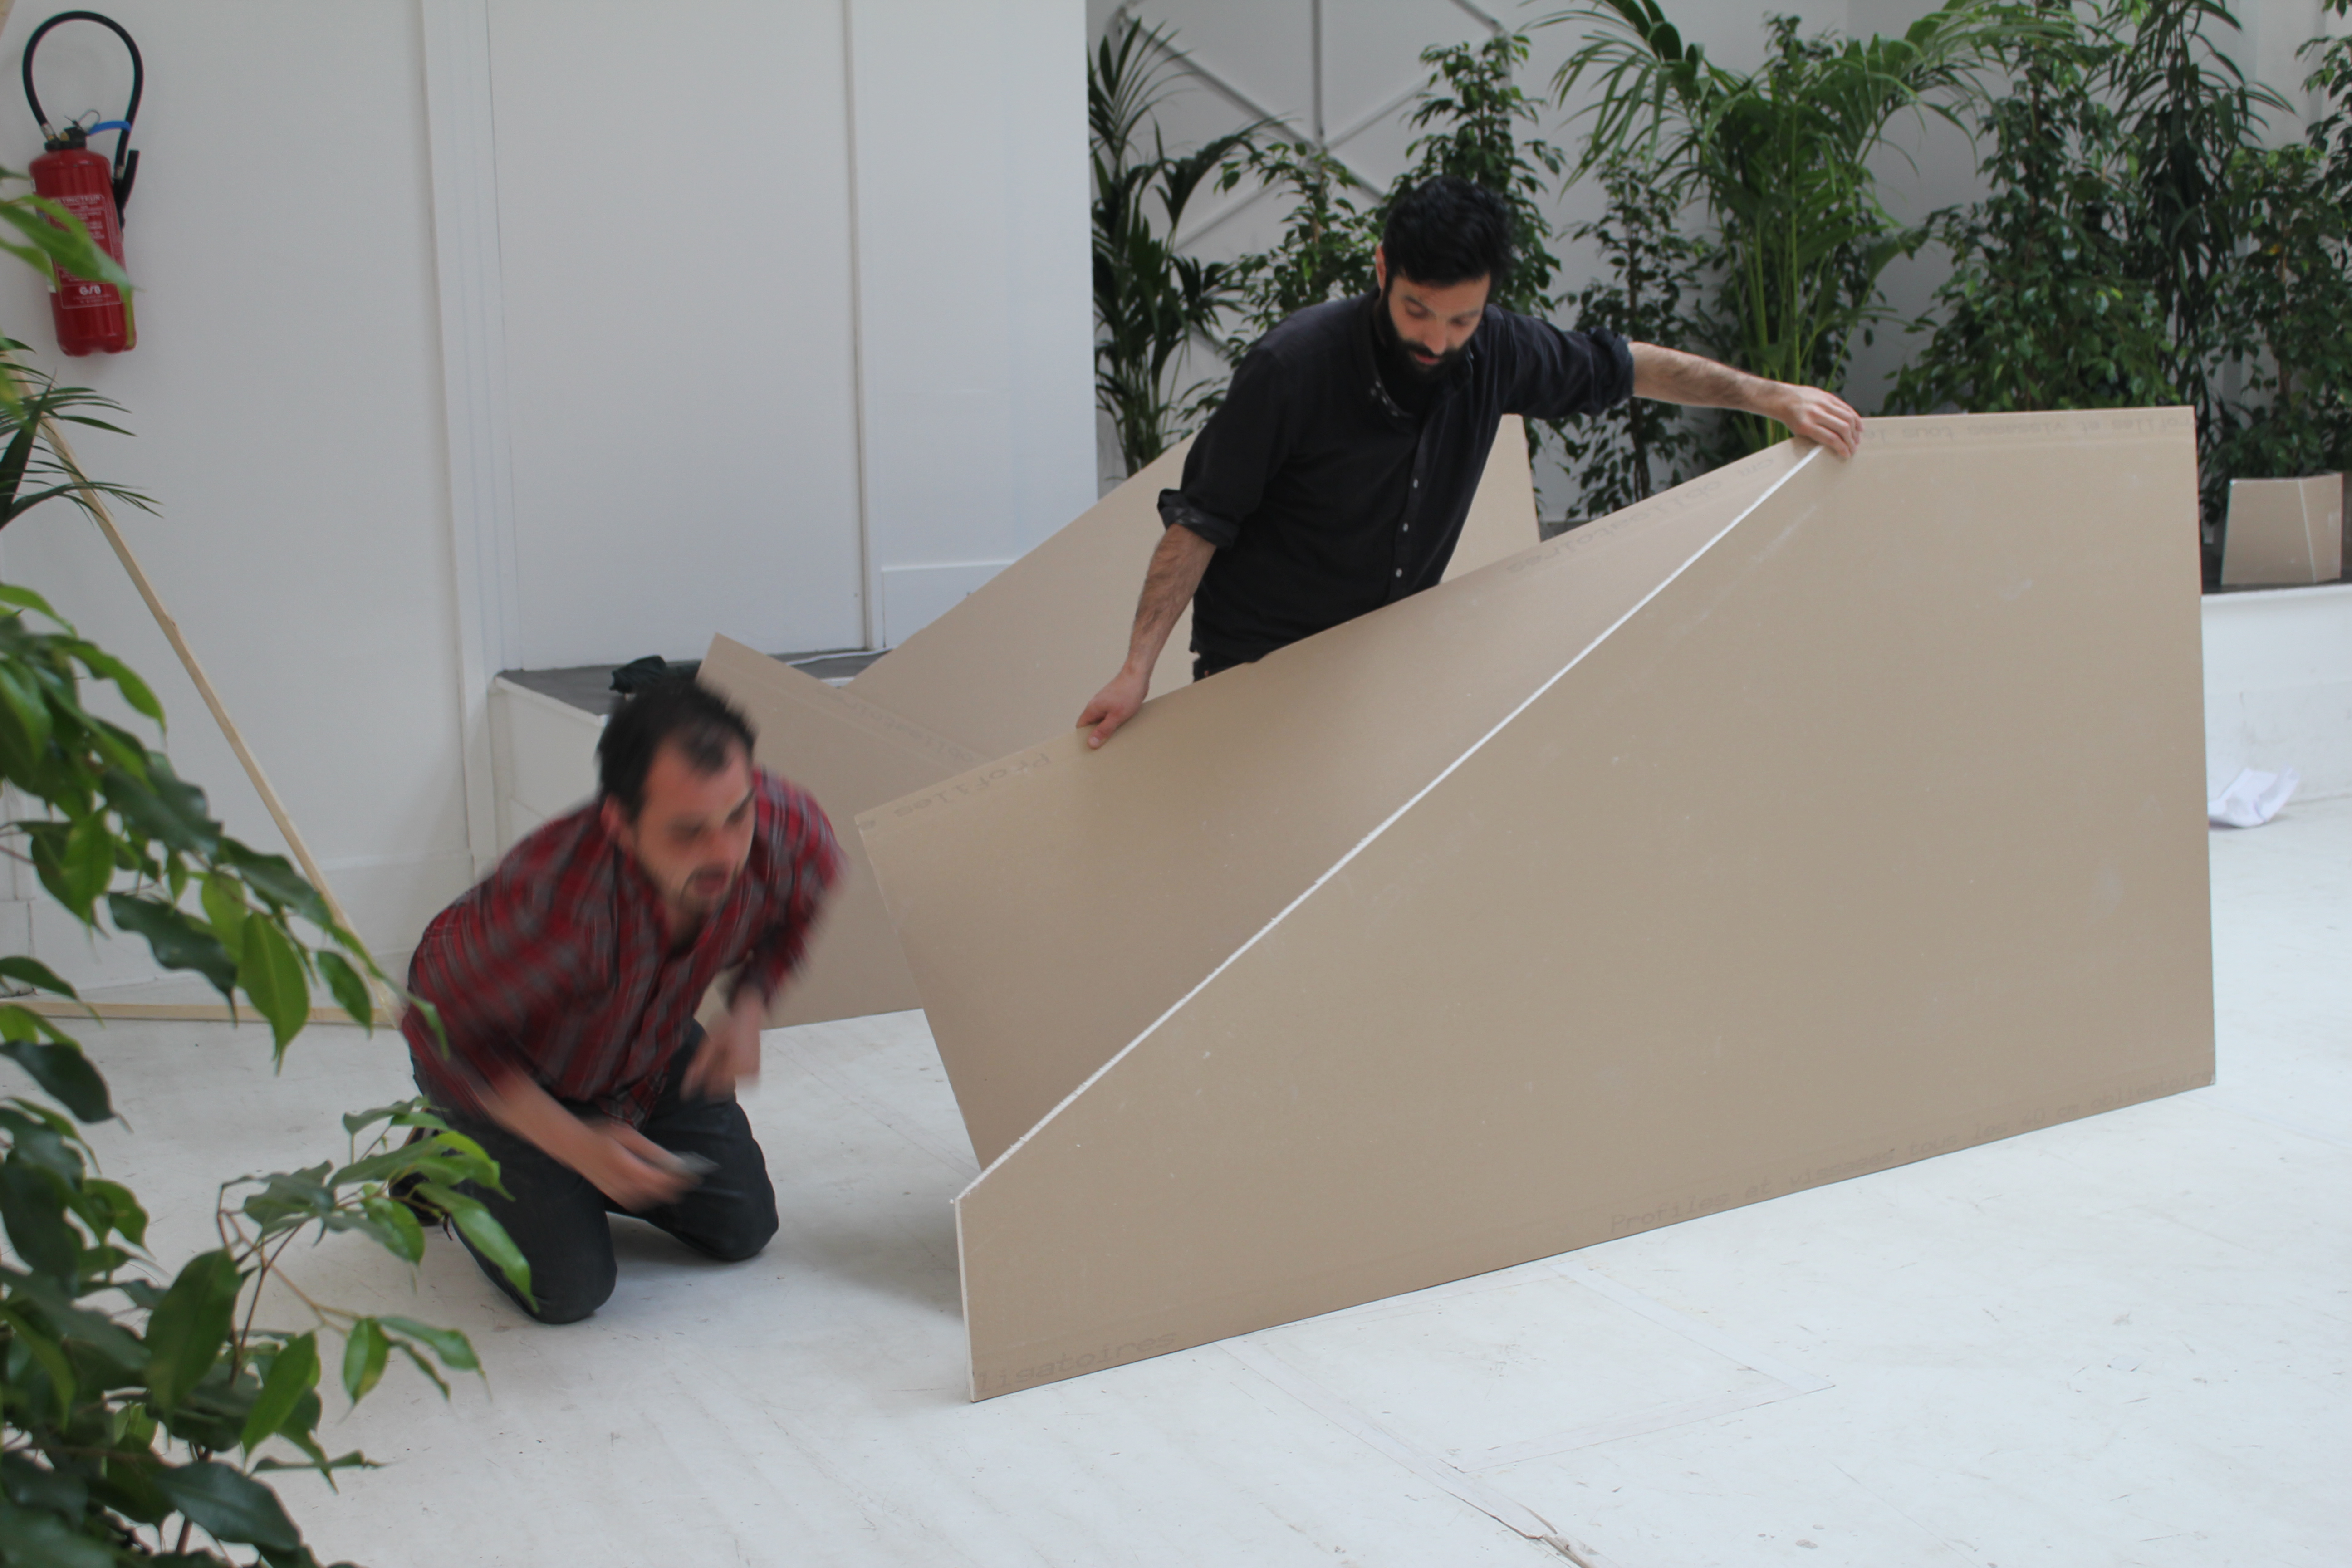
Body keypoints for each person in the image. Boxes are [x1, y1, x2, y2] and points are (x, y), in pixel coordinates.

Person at [1077, 175, 1864, 746]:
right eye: (1417, 310)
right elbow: (1201, 520)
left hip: (1385, 661)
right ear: (1382, 270)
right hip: (1261, 666)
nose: (1437, 339)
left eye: (1462, 319)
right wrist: (1137, 667)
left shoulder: (1497, 350)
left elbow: (1627, 367)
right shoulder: (1293, 369)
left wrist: (1772, 398)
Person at [400, 676, 842, 1323]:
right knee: (569, 1290)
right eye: (687, 831)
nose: (724, 853)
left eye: (736, 816)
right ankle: (447, 1148)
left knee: (744, 1227)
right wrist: (575, 1144)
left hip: (643, 1039)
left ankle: (564, 1179)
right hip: (510, 1063)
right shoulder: (550, 900)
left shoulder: (785, 825)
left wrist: (749, 1006)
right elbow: (441, 1032)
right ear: (620, 824)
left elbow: (802, 903)